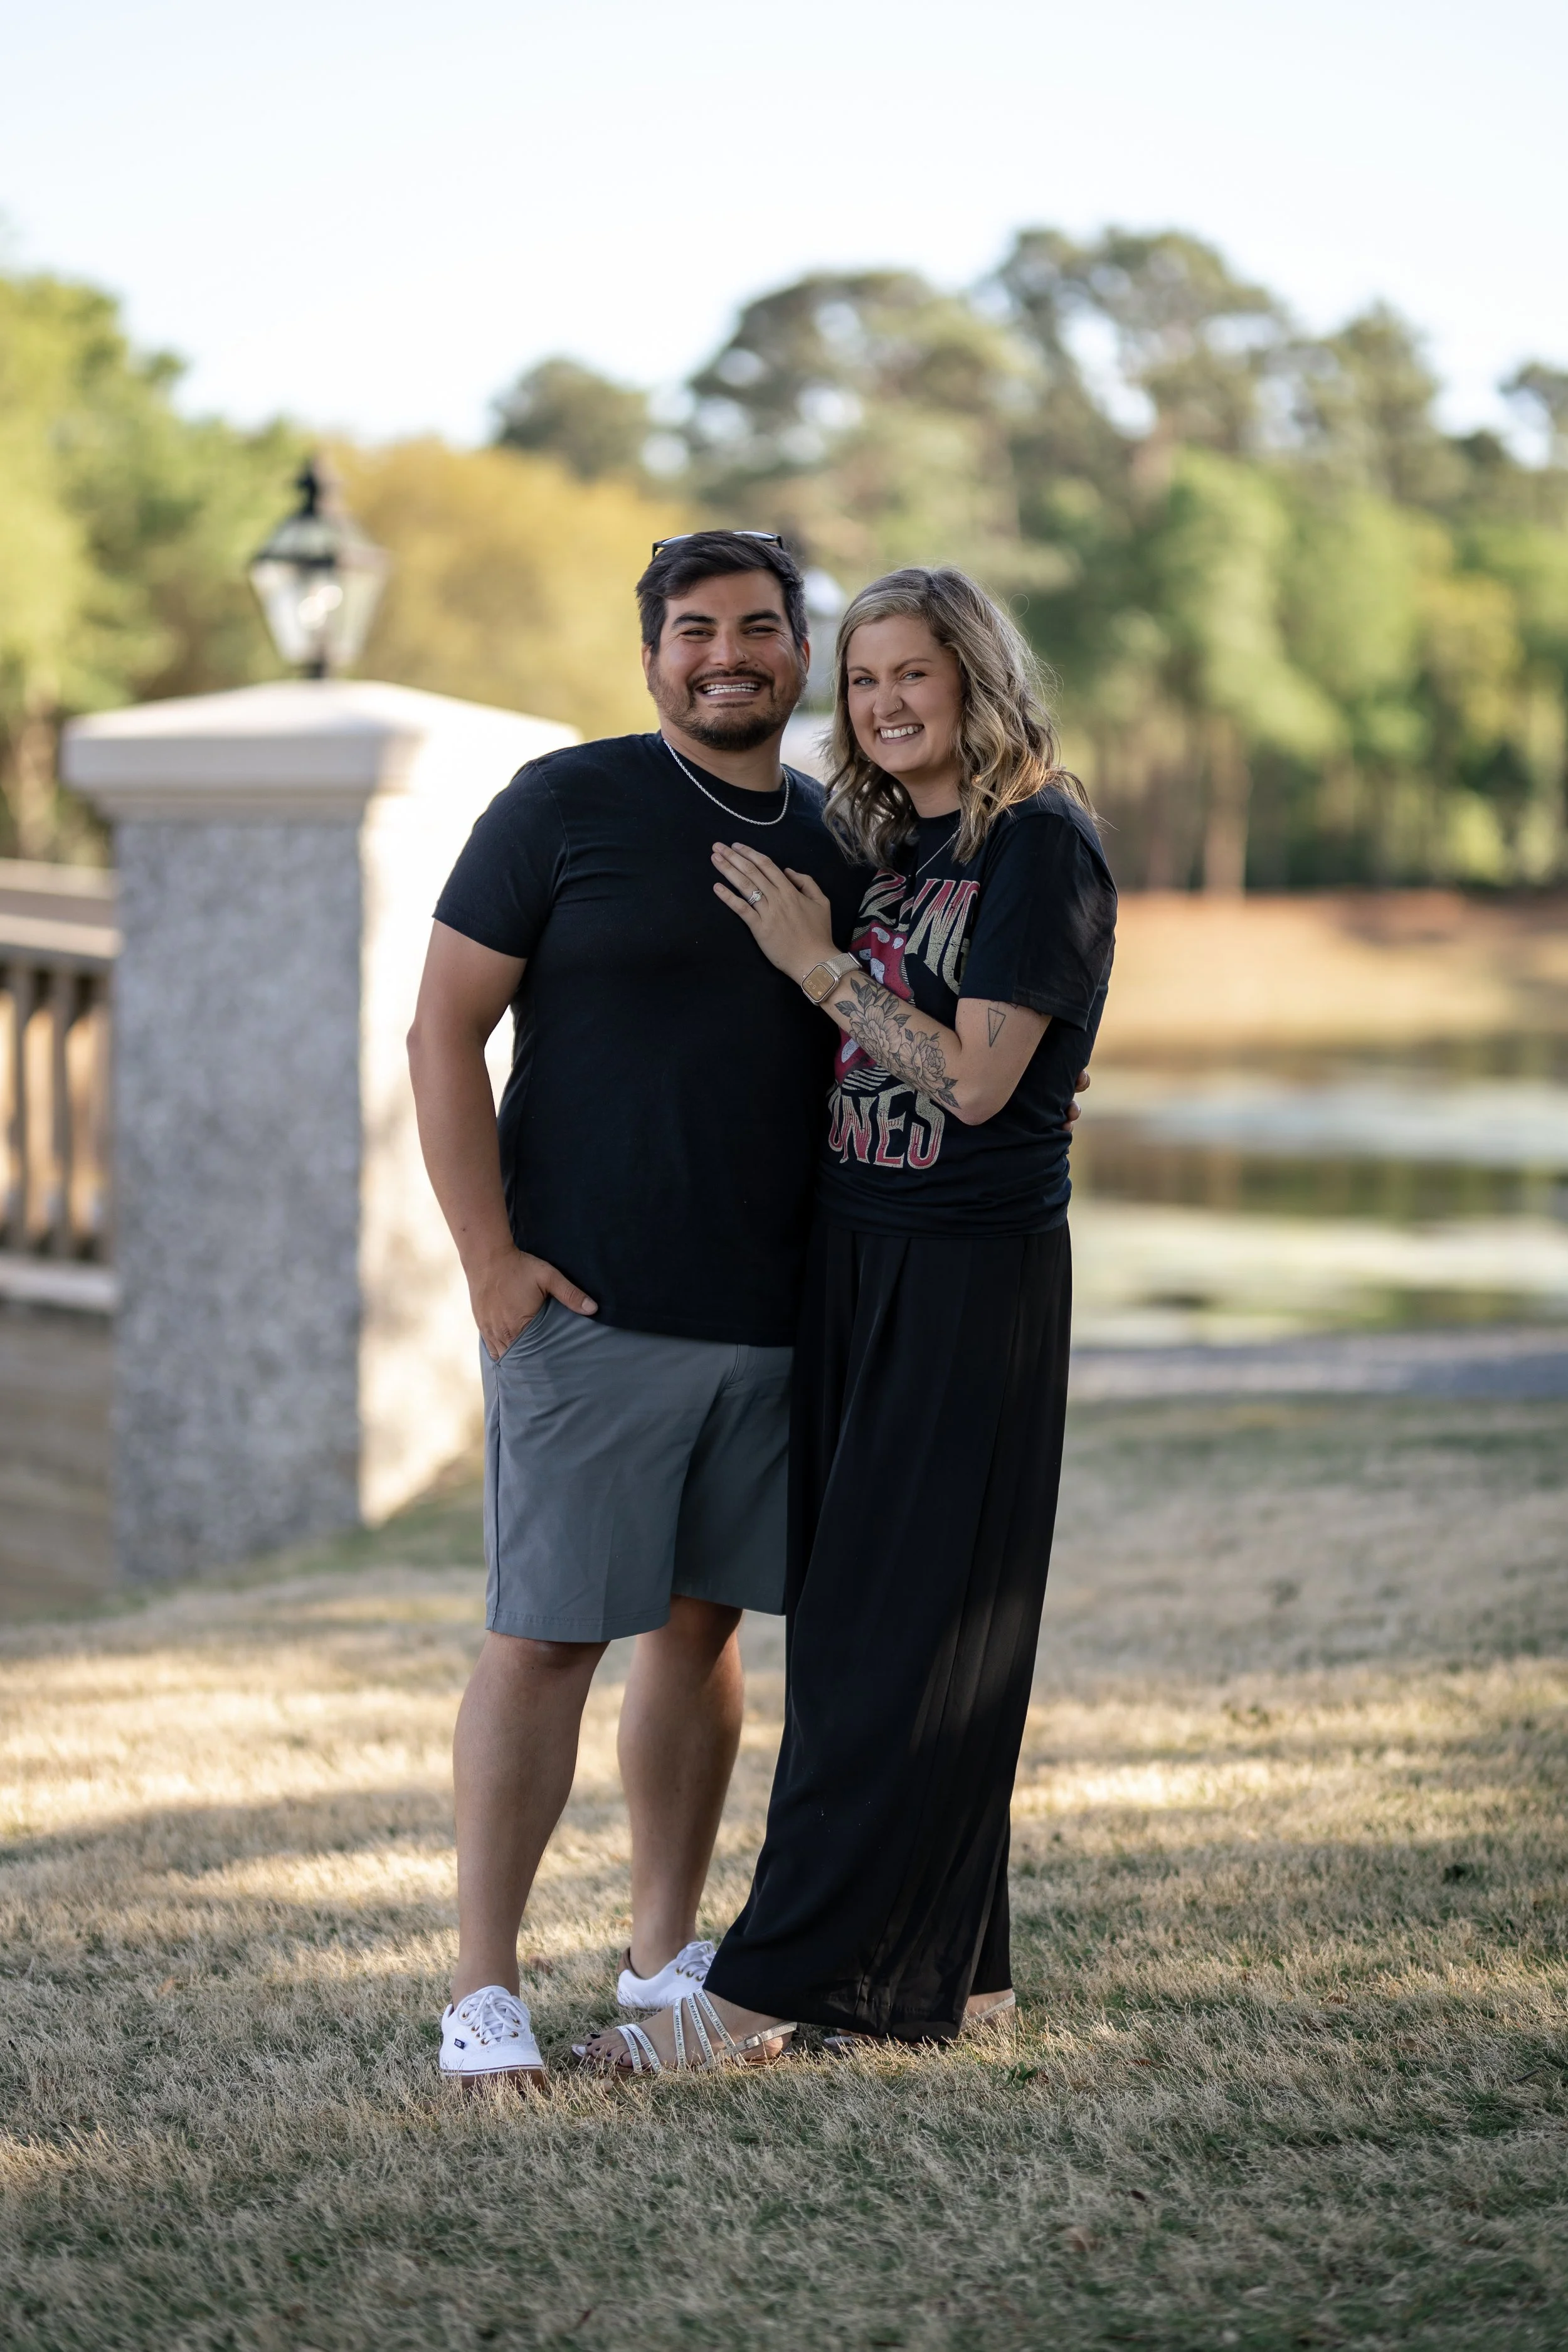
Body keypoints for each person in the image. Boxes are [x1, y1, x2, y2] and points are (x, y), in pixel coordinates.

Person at [578, 564, 1115, 2074]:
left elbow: (975, 1081)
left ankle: (758, 1990)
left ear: (977, 680)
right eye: (862, 679)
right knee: (895, 1637)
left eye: (911, 675)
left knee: (890, 1642)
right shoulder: (895, 842)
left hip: (966, 1278)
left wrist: (813, 964)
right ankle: (959, 1976)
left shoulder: (1037, 847)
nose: (881, 703)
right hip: (856, 1262)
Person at [407, 530, 868, 2085]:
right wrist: (488, 1259)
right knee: (543, 1639)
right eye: (692, 630)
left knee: (701, 1630)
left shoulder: (834, 834)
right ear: (651, 653)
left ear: (798, 656)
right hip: (586, 1313)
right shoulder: (563, 805)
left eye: (755, 629)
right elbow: (439, 1034)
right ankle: (483, 1999)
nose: (723, 654)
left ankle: (666, 1961)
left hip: (772, 1316)